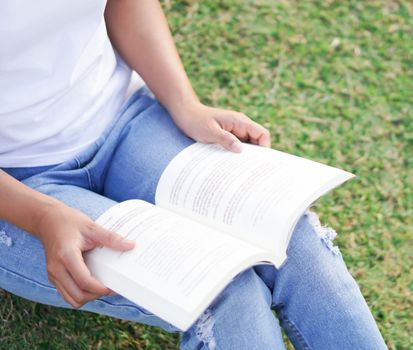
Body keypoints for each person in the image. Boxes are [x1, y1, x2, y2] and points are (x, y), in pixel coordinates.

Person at [0, 1, 387, 349]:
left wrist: (185, 104)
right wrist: (42, 215)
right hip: (19, 185)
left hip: (125, 120)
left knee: (290, 240)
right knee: (220, 290)